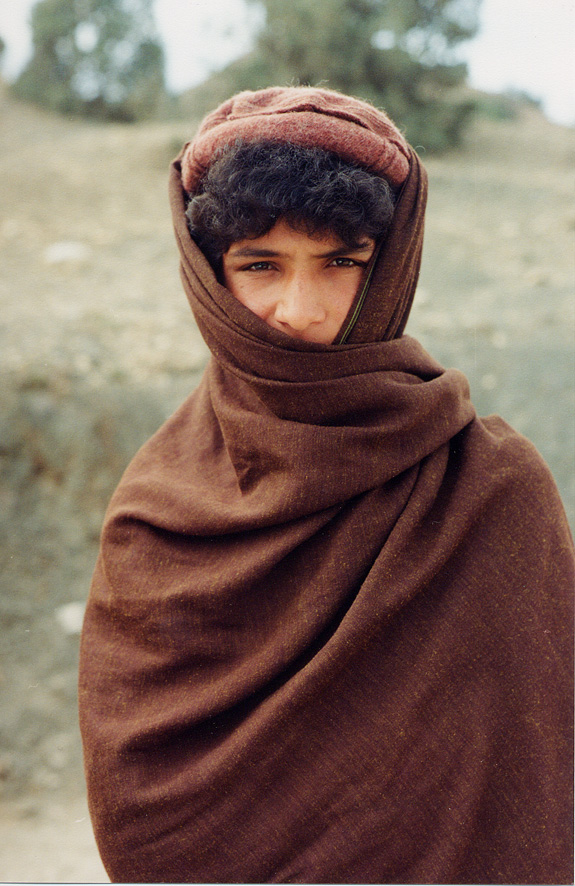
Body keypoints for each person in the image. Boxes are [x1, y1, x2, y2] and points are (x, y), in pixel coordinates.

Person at [79, 86, 574, 884]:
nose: (298, 309)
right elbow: (148, 812)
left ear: (391, 263)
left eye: (341, 263)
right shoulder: (158, 513)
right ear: (210, 274)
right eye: (259, 266)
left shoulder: (489, 491)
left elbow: (526, 784)